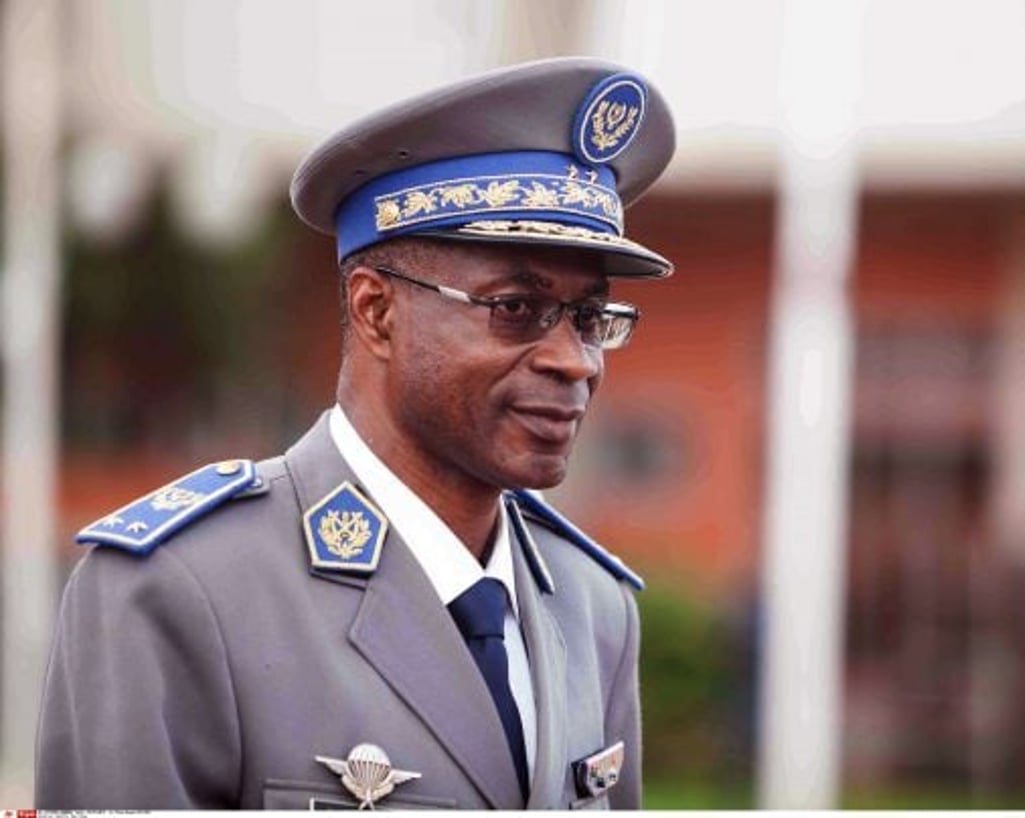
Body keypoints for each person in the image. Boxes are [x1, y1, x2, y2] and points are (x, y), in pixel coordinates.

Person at [36, 56, 675, 809]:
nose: (573, 361)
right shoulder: (178, 591)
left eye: (590, 318)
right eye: (515, 308)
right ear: (376, 311)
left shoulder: (591, 603)